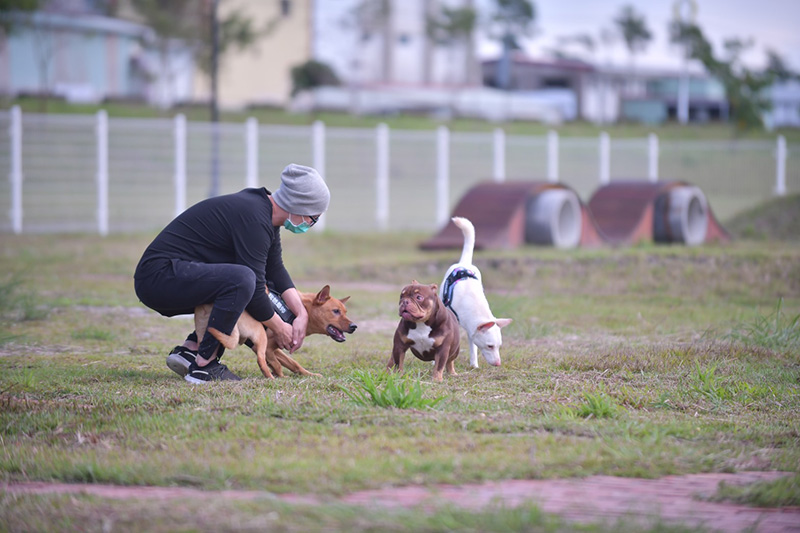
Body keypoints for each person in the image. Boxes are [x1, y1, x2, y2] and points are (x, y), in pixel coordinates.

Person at [134, 163, 330, 383]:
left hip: (172, 275)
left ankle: (191, 350)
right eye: (313, 218)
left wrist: (302, 314)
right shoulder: (254, 218)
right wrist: (280, 328)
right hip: (158, 277)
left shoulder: (262, 213)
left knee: (245, 281)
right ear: (298, 206)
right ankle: (204, 367)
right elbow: (254, 288)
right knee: (242, 281)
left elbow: (274, 269)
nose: (311, 224)